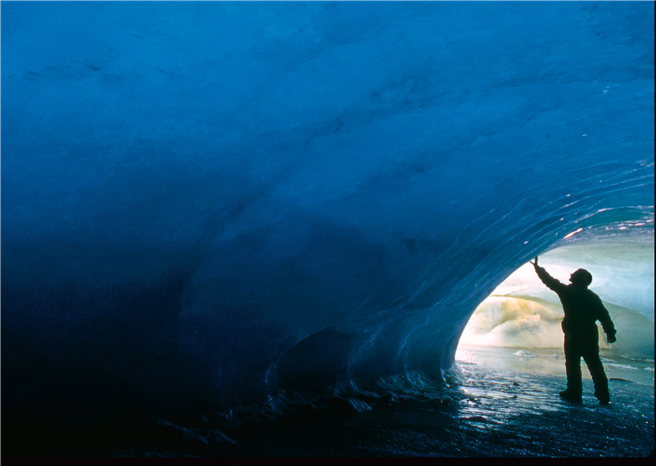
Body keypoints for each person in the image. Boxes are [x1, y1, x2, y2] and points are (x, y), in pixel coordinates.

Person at [530, 256, 616, 405]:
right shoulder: (592, 296)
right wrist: (610, 332)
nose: (570, 275)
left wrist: (538, 269)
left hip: (574, 333)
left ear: (578, 279)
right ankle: (603, 395)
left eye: (574, 274)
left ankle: (574, 392)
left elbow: (550, 282)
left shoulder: (568, 291)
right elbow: (604, 315)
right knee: (595, 364)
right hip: (589, 332)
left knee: (573, 363)